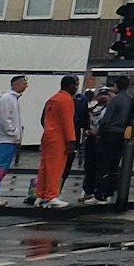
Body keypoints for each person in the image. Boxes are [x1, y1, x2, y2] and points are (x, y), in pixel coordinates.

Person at [35, 76, 78, 209]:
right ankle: (51, 196)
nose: (76, 88)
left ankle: (40, 195)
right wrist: (71, 140)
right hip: (58, 138)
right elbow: (67, 122)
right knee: (56, 167)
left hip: (48, 136)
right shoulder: (66, 100)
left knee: (45, 167)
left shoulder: (52, 99)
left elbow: (44, 119)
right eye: (75, 85)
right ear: (70, 86)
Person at [0, 75, 27, 204]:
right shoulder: (7, 98)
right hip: (5, 140)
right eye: (24, 83)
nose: (26, 86)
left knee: (2, 168)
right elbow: (4, 118)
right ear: (16, 84)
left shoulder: (13, 99)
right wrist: (13, 132)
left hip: (10, 140)